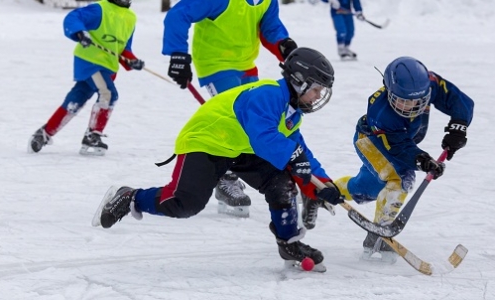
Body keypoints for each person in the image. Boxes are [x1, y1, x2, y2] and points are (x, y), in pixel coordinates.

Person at [92, 47, 344, 272]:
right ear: (299, 81)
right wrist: (293, 156)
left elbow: (300, 151)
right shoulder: (268, 94)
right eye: (316, 89)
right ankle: (130, 197)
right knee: (185, 204)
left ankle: (289, 243)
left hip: (239, 149)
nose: (318, 95)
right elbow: (263, 137)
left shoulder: (292, 114)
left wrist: (323, 185)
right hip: (207, 142)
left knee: (282, 183)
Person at [162, 0, 299, 218]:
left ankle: (276, 174)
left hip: (245, 64)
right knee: (236, 122)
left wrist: (285, 44)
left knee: (261, 118)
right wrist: (178, 54)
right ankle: (225, 179)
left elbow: (270, 26)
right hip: (215, 64)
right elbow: (178, 14)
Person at [332, 56, 474, 262]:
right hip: (372, 141)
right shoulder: (380, 112)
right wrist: (422, 160)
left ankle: (329, 191)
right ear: (389, 91)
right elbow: (399, 148)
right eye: (403, 101)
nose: (411, 106)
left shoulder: (428, 83)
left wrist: (458, 128)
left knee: (367, 190)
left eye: (417, 100)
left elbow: (459, 101)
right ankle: (379, 232)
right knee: (400, 179)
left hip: (400, 142)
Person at [28, 0, 144, 156]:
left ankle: (44, 133)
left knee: (75, 100)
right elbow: (73, 17)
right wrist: (81, 32)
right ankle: (92, 135)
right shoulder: (100, 9)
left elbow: (123, 48)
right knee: (108, 94)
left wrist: (132, 60)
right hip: (90, 62)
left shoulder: (130, 18)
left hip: (107, 67)